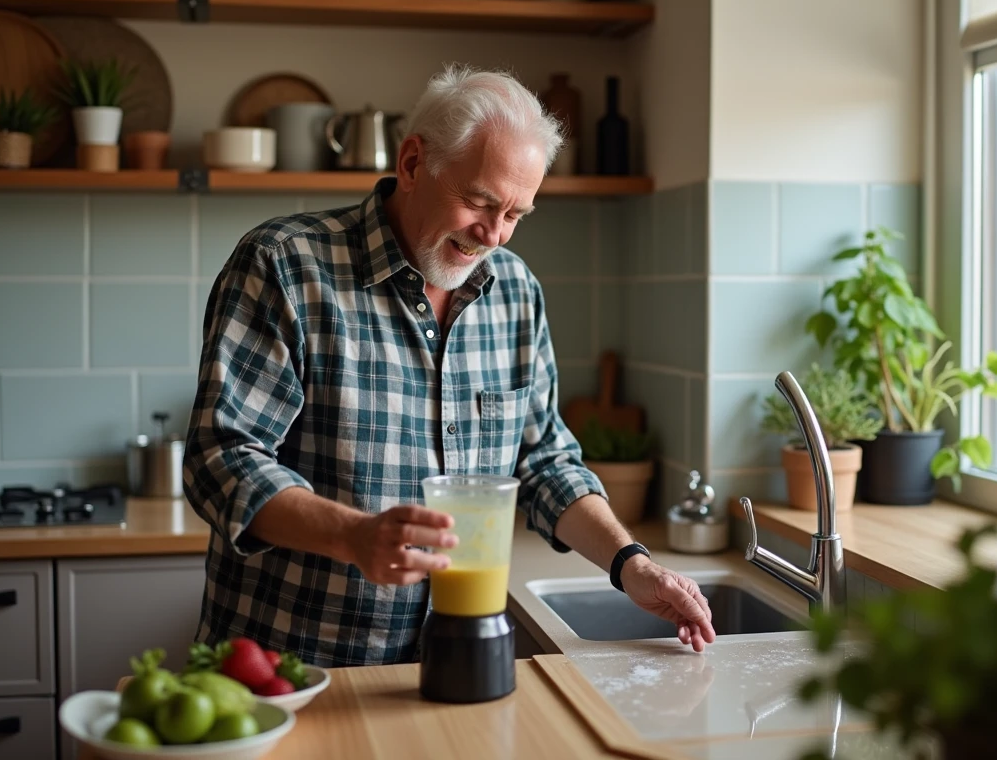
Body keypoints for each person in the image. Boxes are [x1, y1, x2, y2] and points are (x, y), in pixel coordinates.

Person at [183, 64, 717, 667]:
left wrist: (632, 564)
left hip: (451, 666)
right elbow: (220, 458)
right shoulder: (285, 265)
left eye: (516, 214)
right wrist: (353, 536)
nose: (494, 234)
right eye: (480, 202)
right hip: (294, 668)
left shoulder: (516, 291)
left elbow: (545, 462)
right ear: (413, 163)